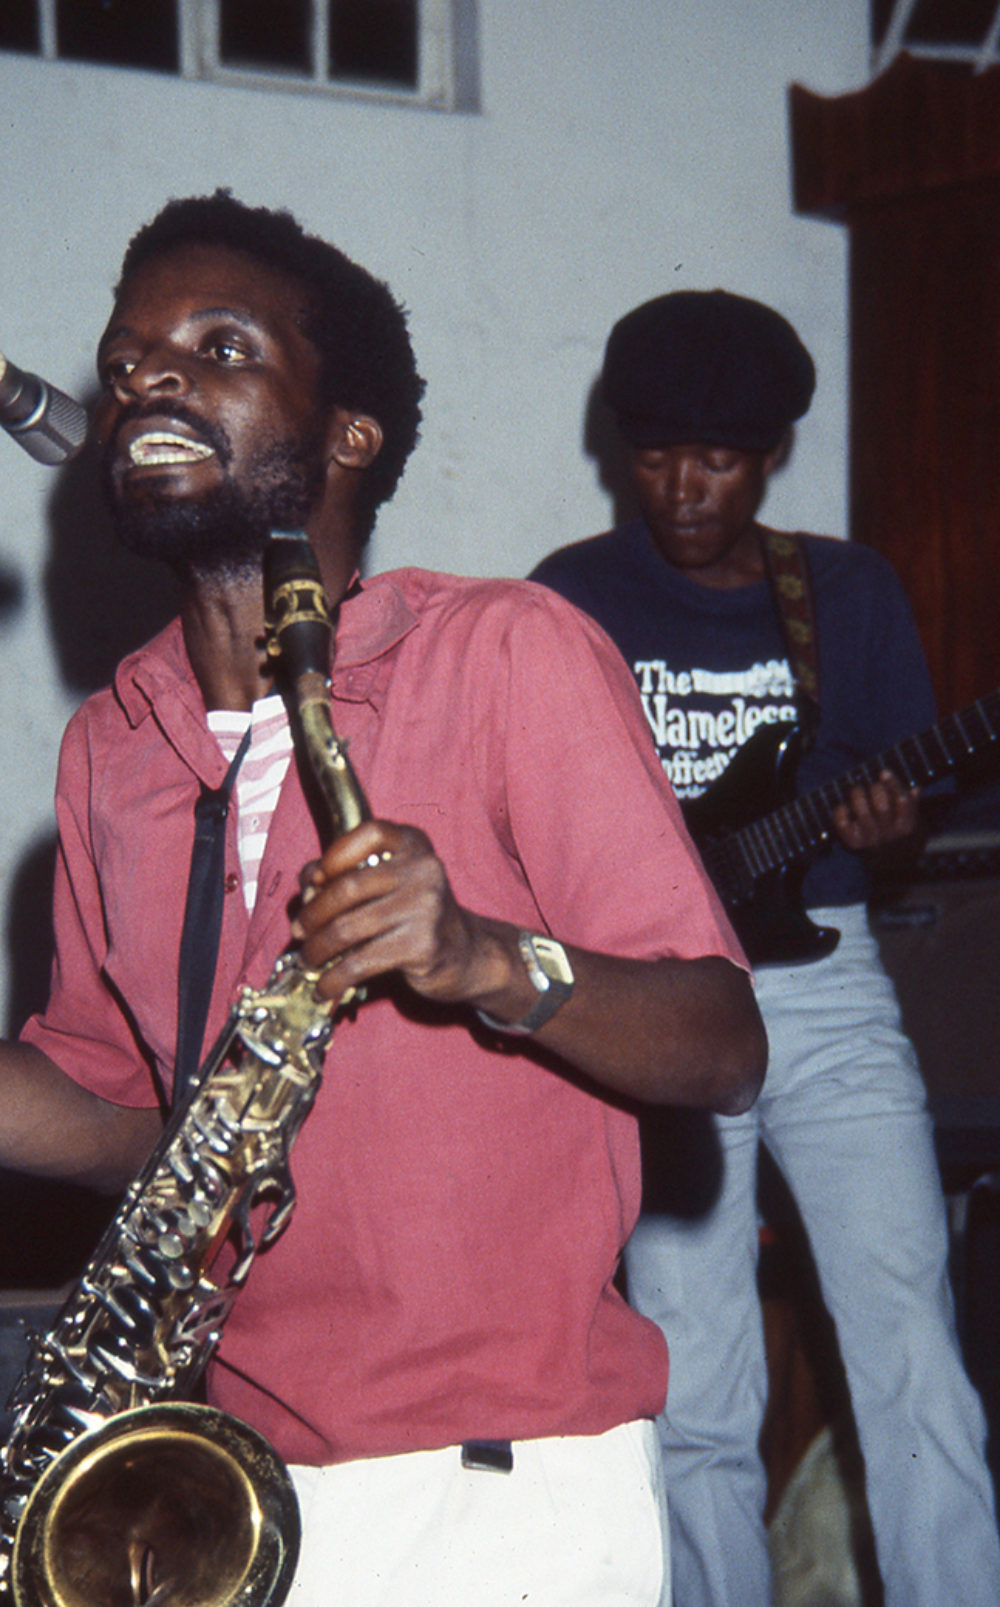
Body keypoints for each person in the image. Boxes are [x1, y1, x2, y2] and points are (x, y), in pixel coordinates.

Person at [0, 200, 766, 1607]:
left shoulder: (504, 653)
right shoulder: (113, 741)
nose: (146, 381)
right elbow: (136, 1125)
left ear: (348, 431)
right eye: (125, 362)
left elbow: (721, 1044)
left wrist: (485, 956)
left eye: (215, 347)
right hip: (226, 1481)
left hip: (508, 1480)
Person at [530, 288, 1000, 1607]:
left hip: (826, 982)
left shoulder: (842, 591)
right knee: (697, 1370)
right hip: (664, 1000)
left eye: (721, 459)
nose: (685, 488)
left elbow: (903, 822)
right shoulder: (569, 598)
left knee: (914, 1345)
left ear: (773, 453)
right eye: (659, 456)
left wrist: (892, 824)